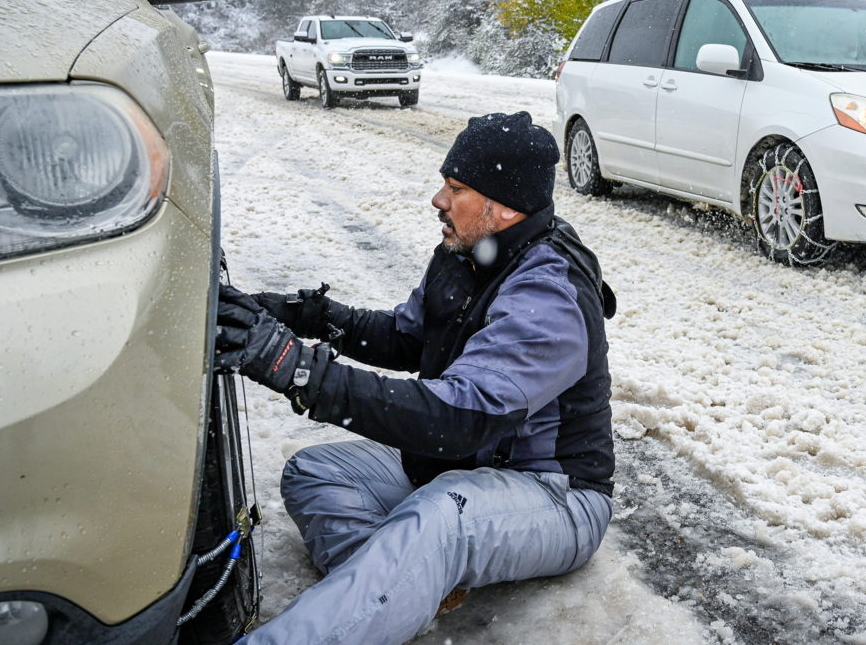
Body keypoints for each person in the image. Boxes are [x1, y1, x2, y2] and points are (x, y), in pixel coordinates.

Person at [214, 111, 617, 645]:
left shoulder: (550, 292)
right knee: (315, 471)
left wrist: (297, 369)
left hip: (553, 493)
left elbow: (459, 420)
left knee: (443, 514)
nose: (438, 200)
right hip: (462, 468)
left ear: (504, 206)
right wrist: (305, 315)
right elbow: (406, 339)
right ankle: (405, 593)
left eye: (457, 188)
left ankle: (381, 592)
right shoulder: (467, 253)